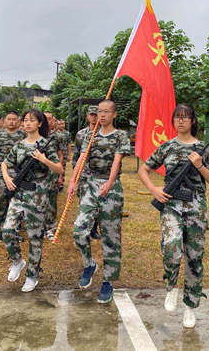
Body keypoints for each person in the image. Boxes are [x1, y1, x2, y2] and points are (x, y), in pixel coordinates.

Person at [138, 104, 209, 329]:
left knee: (194, 258)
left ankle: (190, 307)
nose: (181, 121)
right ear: (173, 122)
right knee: (171, 248)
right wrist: (154, 189)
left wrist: (200, 165)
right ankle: (172, 286)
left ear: (193, 121)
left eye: (186, 117)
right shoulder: (167, 147)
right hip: (171, 204)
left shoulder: (203, 149)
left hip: (196, 207)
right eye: (177, 118)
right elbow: (143, 169)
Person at [67, 100, 130, 304]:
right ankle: (89, 264)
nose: (101, 115)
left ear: (114, 114)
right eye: (99, 112)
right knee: (79, 229)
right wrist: (72, 180)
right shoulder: (90, 135)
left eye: (106, 112)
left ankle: (108, 282)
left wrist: (110, 183)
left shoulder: (120, 135)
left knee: (110, 237)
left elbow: (117, 161)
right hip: (91, 184)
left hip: (111, 188)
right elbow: (82, 158)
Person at [1, 109, 63, 292]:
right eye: (25, 120)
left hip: (38, 194)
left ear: (40, 123)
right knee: (7, 230)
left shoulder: (45, 144)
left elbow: (59, 169)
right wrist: (7, 178)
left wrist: (44, 160)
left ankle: (32, 275)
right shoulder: (19, 145)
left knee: (35, 237)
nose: (27, 123)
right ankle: (17, 261)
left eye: (32, 120)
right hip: (19, 192)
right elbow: (5, 163)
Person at [0, 111, 25, 244]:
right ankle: (0, 230)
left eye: (14, 119)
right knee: (1, 201)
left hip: (18, 174)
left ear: (18, 121)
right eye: (9, 119)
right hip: (1, 173)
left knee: (16, 203)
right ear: (4, 121)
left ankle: (14, 230)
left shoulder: (23, 135)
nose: (11, 122)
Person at [73, 106, 100, 239]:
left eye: (96, 114)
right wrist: (75, 173)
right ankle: (84, 227)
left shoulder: (103, 132)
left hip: (98, 173)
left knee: (98, 201)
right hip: (84, 173)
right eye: (92, 115)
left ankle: (94, 228)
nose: (94, 117)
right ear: (88, 117)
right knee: (83, 200)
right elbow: (76, 154)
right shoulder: (80, 134)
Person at [43, 112, 64, 240]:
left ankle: (50, 227)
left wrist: (60, 175)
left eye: (49, 118)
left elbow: (60, 155)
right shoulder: (36, 134)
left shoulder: (57, 137)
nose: (47, 121)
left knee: (51, 201)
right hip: (38, 174)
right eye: (44, 118)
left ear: (53, 121)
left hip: (52, 173)